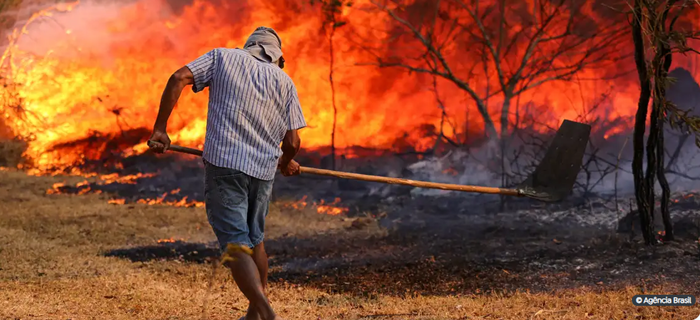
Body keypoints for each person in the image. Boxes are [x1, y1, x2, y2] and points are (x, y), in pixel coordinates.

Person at [148, 26, 305, 320]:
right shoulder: (285, 82)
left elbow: (178, 77)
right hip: (262, 172)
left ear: (248, 47)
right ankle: (253, 315)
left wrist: (160, 129)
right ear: (277, 57)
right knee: (255, 239)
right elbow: (293, 142)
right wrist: (285, 162)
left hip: (226, 166)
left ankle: (265, 311)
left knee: (235, 242)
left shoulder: (222, 58)